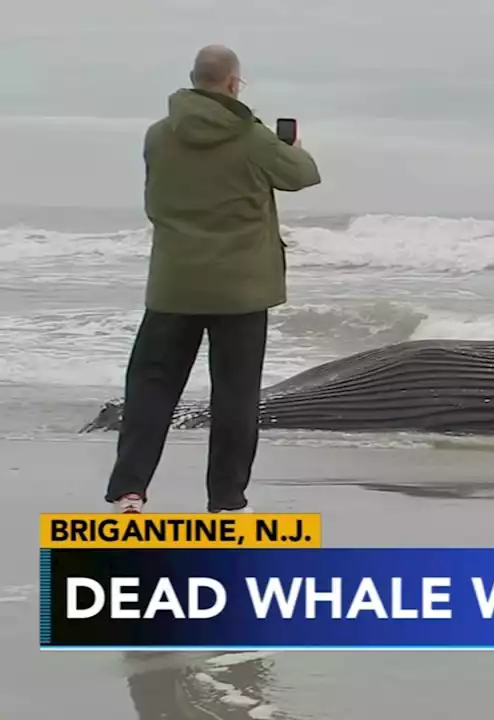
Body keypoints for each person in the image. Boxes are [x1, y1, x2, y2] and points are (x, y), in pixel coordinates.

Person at [104, 45, 321, 514]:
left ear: (193, 78)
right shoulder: (252, 137)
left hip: (174, 284)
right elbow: (303, 175)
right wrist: (288, 147)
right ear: (232, 84)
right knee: (235, 397)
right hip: (240, 291)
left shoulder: (158, 136)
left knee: (151, 388)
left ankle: (129, 490)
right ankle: (224, 500)